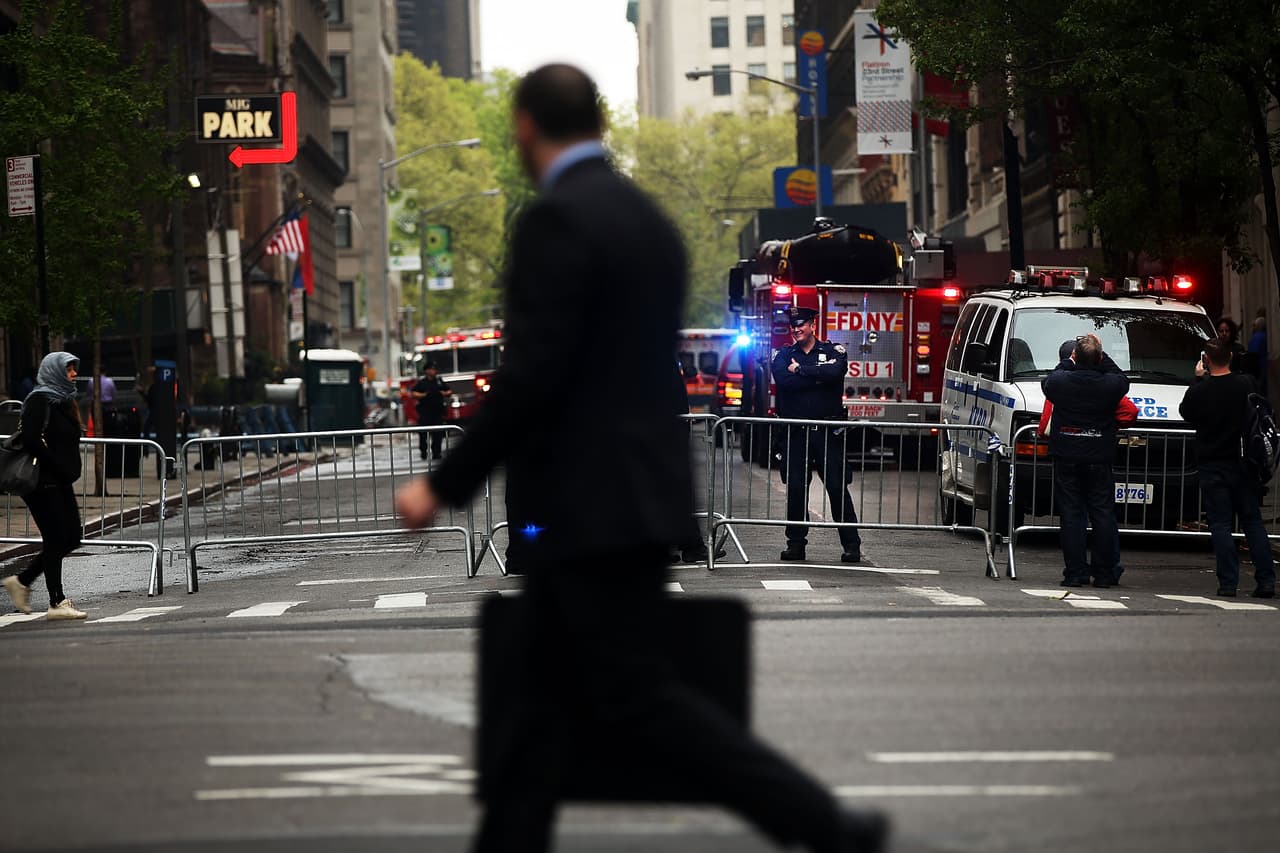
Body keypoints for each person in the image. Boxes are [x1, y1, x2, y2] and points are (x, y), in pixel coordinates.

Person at [396, 64, 887, 853]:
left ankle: (822, 822)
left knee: (638, 700)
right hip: (640, 497)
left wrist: (443, 484)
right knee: (541, 706)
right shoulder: (649, 224)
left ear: (525, 128)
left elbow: (534, 372)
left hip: (584, 505)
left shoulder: (554, 223)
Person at [1179, 339, 1276, 598]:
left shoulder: (1201, 390)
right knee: (1252, 522)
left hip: (1213, 463)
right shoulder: (1246, 384)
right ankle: (1266, 580)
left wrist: (1199, 380)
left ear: (1206, 361)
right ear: (1231, 357)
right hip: (1244, 463)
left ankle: (1228, 583)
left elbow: (1186, 412)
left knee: (1220, 525)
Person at [1039, 340, 1139, 585]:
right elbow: (1121, 378)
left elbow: (1050, 380)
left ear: (1074, 356)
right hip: (1098, 455)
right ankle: (1104, 573)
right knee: (1102, 514)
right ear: (1100, 358)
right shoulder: (1110, 385)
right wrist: (1101, 357)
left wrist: (1071, 360)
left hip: (1068, 455)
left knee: (1072, 516)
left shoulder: (1061, 381)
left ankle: (1075, 573)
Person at [771, 306, 863, 563]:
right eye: (793, 325)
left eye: (801, 324)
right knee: (797, 488)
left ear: (813, 325)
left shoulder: (834, 352)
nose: (796, 329)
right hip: (796, 433)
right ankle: (796, 545)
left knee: (836, 486)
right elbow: (783, 381)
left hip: (827, 432)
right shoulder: (783, 355)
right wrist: (817, 378)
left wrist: (801, 371)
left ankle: (851, 545)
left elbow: (835, 373)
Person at [1, 352, 87, 620]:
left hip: (60, 480)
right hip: (41, 481)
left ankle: (22, 581)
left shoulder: (65, 401)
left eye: (74, 369)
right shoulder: (38, 400)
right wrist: (57, 463)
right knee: (56, 537)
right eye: (69, 369)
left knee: (72, 536)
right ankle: (57, 602)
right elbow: (30, 439)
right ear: (54, 371)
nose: (73, 374)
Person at [410, 361, 452, 461]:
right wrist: (423, 395)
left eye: (434, 369)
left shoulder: (439, 381)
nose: (434, 371)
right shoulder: (422, 382)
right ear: (427, 370)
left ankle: (436, 452)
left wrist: (443, 393)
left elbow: (449, 391)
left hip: (437, 412)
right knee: (423, 433)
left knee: (438, 434)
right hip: (425, 412)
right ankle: (423, 451)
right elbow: (413, 393)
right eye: (432, 369)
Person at [1247, 313, 1268, 397]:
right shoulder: (1266, 336)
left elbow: (1252, 355)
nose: (1253, 328)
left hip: (1258, 370)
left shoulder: (1256, 337)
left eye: (1254, 325)